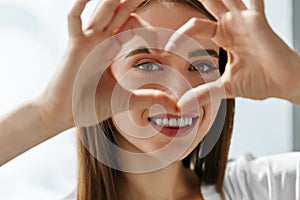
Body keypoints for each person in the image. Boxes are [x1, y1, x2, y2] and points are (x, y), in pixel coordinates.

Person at [0, 0, 299, 199]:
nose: (181, 92)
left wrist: (293, 84)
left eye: (203, 66)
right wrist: (46, 115)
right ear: (101, 76)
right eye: (147, 64)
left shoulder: (269, 188)